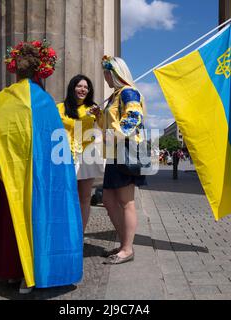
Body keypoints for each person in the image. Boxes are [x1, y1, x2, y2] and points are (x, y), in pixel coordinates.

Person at [0, 40, 83, 294]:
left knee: (11, 219)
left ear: (14, 69)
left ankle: (10, 272)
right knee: (37, 218)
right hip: (40, 175)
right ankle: (32, 275)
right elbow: (56, 141)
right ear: (41, 71)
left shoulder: (3, 97)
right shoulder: (44, 101)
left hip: (9, 174)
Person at [91, 56, 146, 264]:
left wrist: (112, 135)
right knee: (108, 200)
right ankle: (125, 243)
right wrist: (99, 115)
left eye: (107, 72)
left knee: (126, 202)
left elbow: (134, 119)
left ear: (115, 73)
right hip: (115, 153)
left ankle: (127, 248)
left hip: (125, 151)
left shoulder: (128, 92)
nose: (105, 77)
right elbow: (110, 124)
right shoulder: (116, 95)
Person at [57, 75, 104, 233]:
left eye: (86, 87)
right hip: (63, 156)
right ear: (72, 87)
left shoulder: (93, 108)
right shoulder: (60, 108)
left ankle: (79, 234)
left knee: (84, 198)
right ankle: (65, 232)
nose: (83, 89)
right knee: (66, 197)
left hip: (86, 156)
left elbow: (104, 128)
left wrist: (99, 116)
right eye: (79, 86)